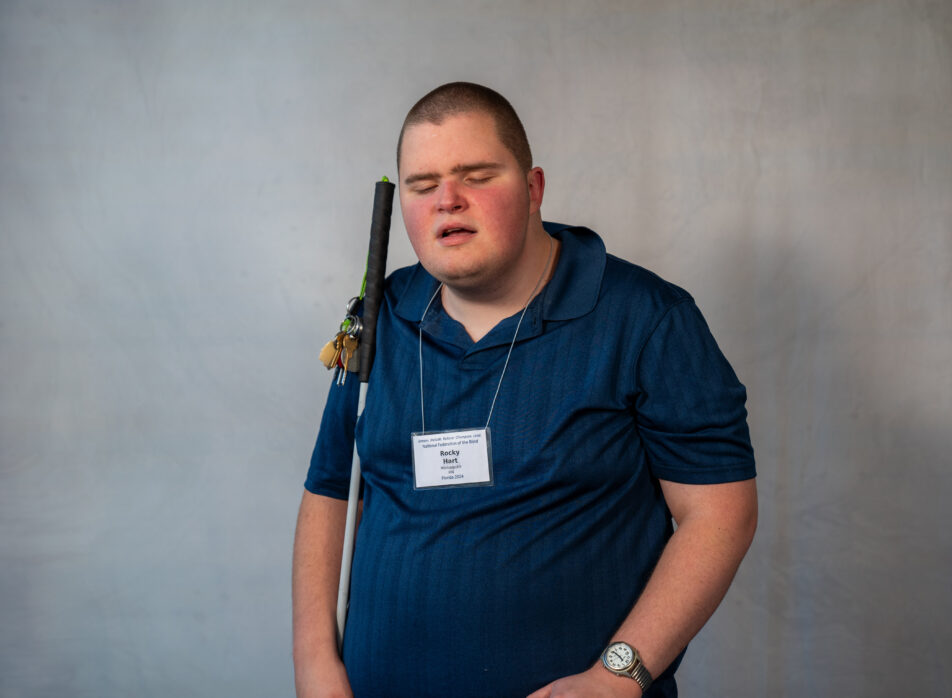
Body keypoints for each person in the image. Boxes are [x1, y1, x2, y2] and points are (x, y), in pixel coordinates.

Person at [292, 82, 757, 698]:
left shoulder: (647, 319)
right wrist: (316, 667)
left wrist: (617, 676)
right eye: (423, 186)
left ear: (534, 188)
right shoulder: (382, 314)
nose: (447, 202)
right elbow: (331, 492)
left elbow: (719, 514)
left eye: (476, 176)